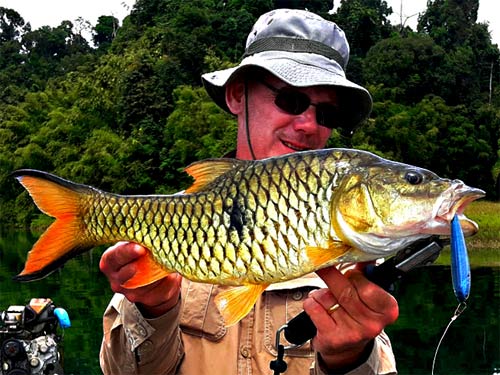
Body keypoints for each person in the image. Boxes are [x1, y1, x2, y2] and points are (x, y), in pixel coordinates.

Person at [99, 8, 399, 375]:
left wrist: (347, 359)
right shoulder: (168, 229)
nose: (307, 125)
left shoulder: (351, 253)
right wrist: (153, 309)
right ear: (238, 95)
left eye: (326, 114)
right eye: (291, 100)